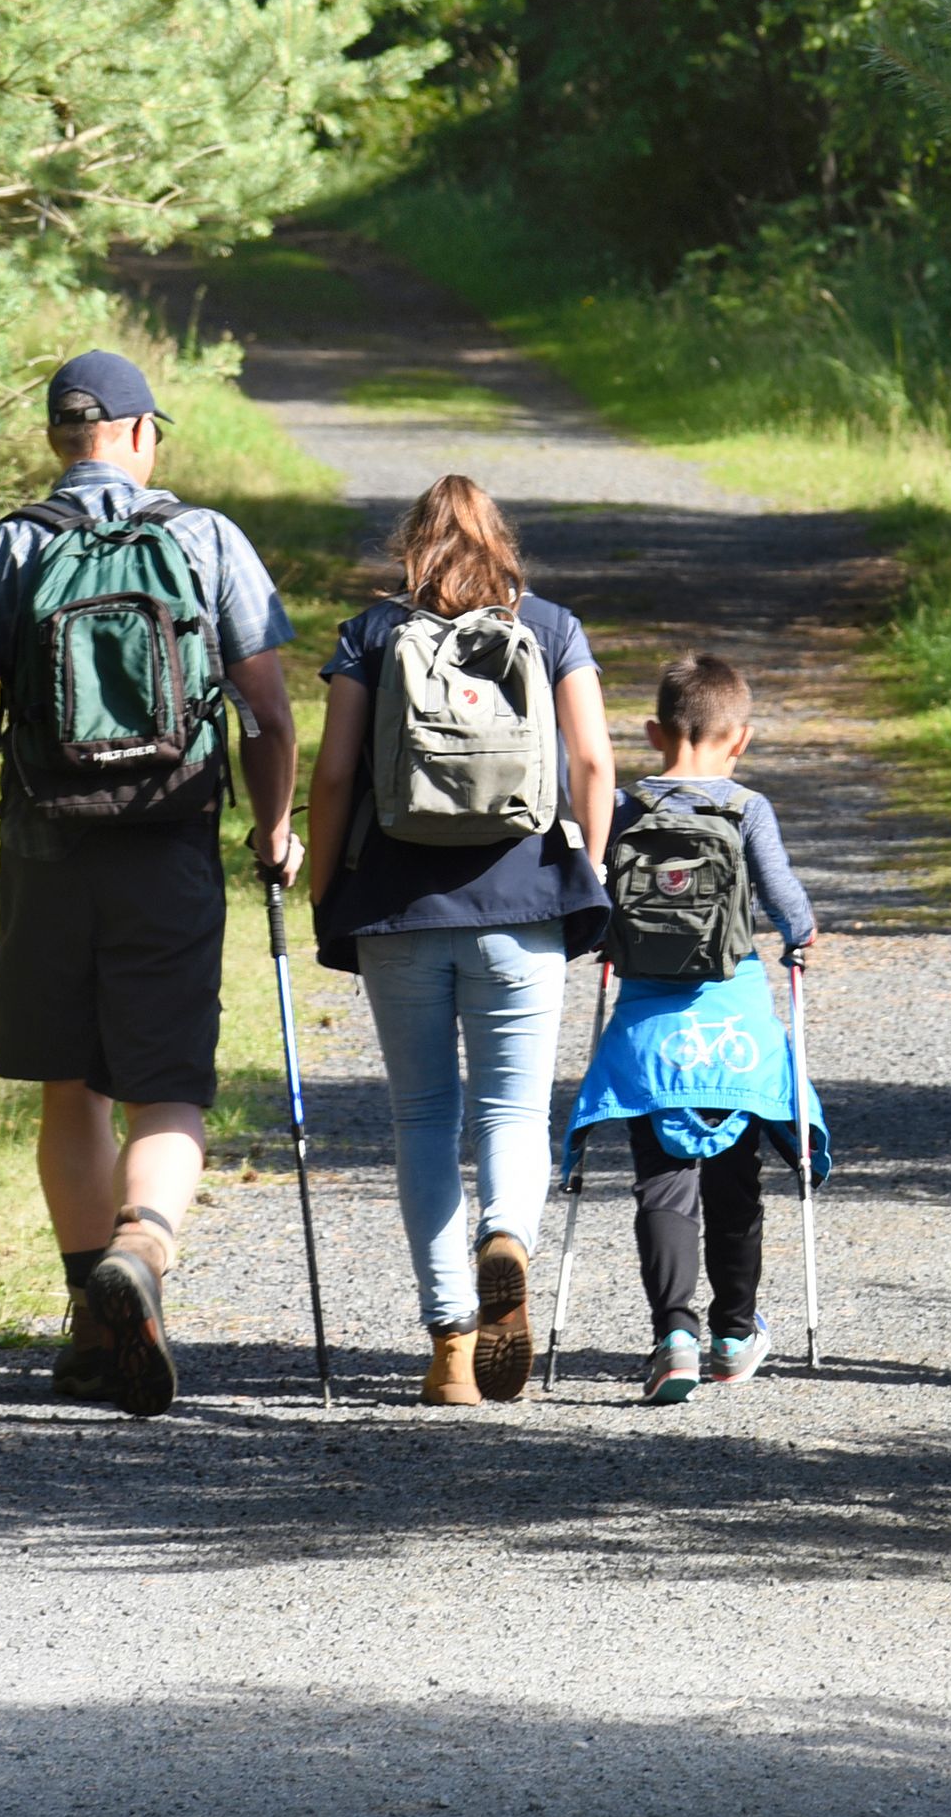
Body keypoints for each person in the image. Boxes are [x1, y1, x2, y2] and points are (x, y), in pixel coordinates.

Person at [0, 349, 298, 1419]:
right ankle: (144, 1247)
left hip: (44, 845)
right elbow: (269, 715)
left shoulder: (6, 546)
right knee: (166, 1079)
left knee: (69, 1081)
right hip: (169, 841)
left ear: (57, 439)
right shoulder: (207, 539)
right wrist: (274, 830)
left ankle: (94, 1319)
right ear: (139, 434)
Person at [305, 474, 613, 1406]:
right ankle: (506, 1235)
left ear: (412, 546)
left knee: (424, 1119)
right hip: (526, 906)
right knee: (512, 1113)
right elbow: (593, 761)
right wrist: (588, 870)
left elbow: (333, 775)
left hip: (397, 911)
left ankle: (450, 1348)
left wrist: (328, 890)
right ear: (500, 543)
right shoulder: (550, 626)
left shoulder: (371, 634)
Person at [562, 653, 827, 1405]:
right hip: (733, 1022)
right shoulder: (747, 808)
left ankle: (673, 1336)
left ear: (654, 733)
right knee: (735, 1180)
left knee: (663, 1181)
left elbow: (594, 897)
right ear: (740, 739)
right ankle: (734, 1335)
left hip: (649, 1028)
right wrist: (801, 935)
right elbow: (785, 899)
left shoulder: (624, 806)